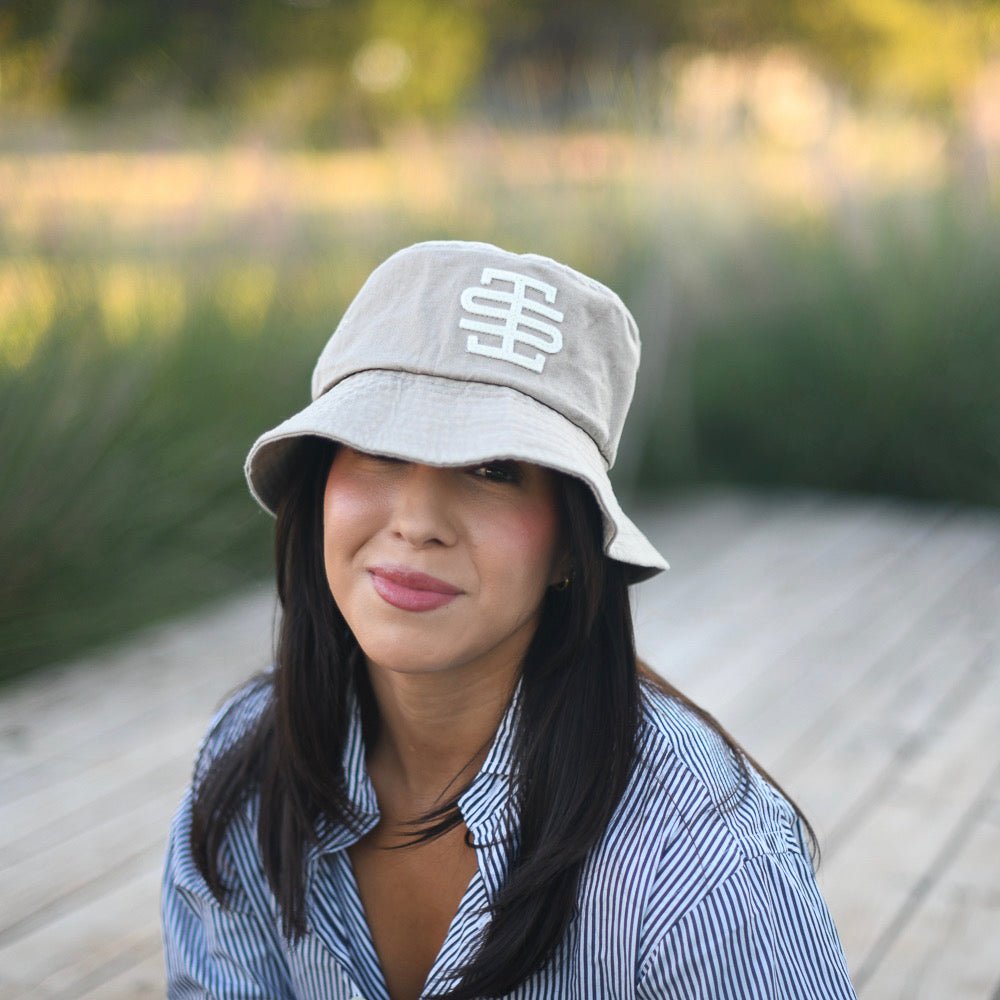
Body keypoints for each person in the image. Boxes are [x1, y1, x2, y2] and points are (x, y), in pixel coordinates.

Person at [161, 240, 858, 1000]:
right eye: (378, 448)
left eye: (494, 469)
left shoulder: (695, 860)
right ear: (319, 482)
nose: (419, 521)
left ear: (571, 541)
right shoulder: (248, 768)